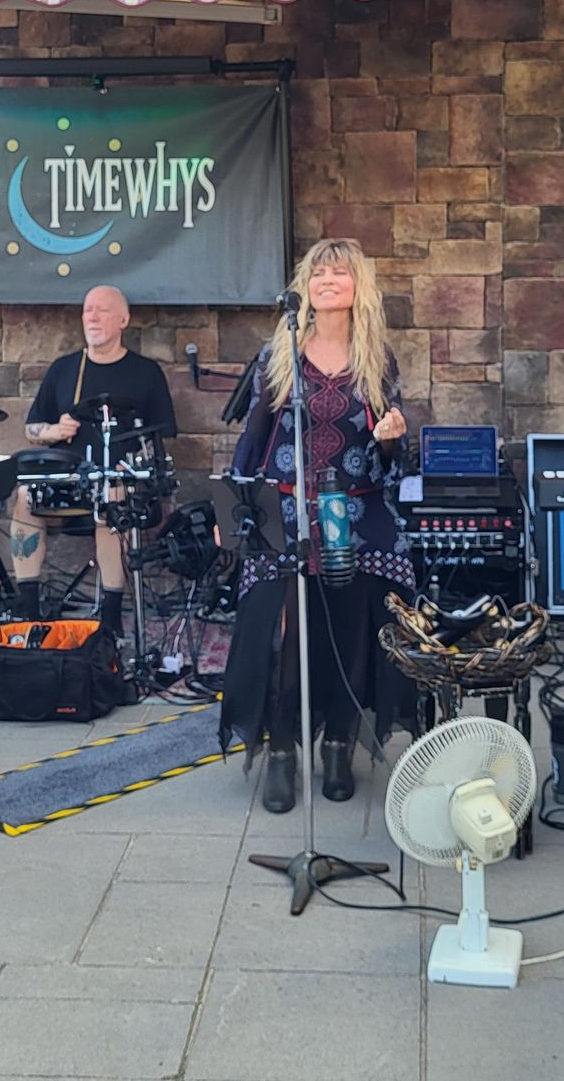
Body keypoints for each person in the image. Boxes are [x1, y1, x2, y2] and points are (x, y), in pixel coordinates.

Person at [219, 237, 415, 814]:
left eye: (339, 272)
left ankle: (338, 744)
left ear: (358, 287)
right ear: (305, 287)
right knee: (285, 633)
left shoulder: (378, 359)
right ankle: (281, 748)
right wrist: (235, 509)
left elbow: (390, 456)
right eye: (318, 273)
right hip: (288, 509)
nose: (328, 280)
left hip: (356, 509)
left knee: (352, 628)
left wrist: (391, 438)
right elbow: (253, 438)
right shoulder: (279, 353)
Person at [11, 284, 175, 634]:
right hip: (71, 482)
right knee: (25, 497)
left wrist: (132, 466)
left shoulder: (146, 372)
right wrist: (54, 430)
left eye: (102, 310)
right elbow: (32, 429)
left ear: (123, 320)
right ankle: (28, 610)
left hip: (121, 483)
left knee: (111, 497)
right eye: (88, 310)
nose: (92, 317)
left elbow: (161, 439)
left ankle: (111, 616)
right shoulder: (65, 369)